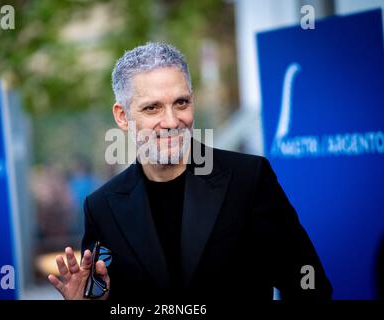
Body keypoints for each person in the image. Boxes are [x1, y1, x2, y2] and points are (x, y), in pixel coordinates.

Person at [48, 42, 332, 302]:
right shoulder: (102, 207)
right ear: (123, 116)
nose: (171, 120)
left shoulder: (248, 179)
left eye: (181, 102)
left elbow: (309, 286)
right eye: (152, 108)